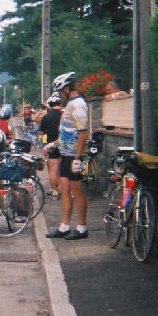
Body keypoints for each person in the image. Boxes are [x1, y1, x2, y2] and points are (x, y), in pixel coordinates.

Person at [45, 72, 89, 240]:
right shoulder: (70, 104)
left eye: (59, 92)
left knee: (76, 191)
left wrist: (78, 158)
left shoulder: (78, 105)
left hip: (73, 156)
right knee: (64, 190)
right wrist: (52, 144)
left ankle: (82, 228)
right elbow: (66, 133)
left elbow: (83, 133)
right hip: (65, 154)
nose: (59, 96)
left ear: (66, 89)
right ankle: (64, 227)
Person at [39, 94, 63, 198]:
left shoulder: (46, 117)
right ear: (60, 104)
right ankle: (64, 189)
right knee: (63, 170)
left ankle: (54, 192)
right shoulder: (64, 115)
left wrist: (45, 143)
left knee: (53, 170)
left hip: (50, 146)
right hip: (64, 145)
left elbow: (41, 133)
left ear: (50, 105)